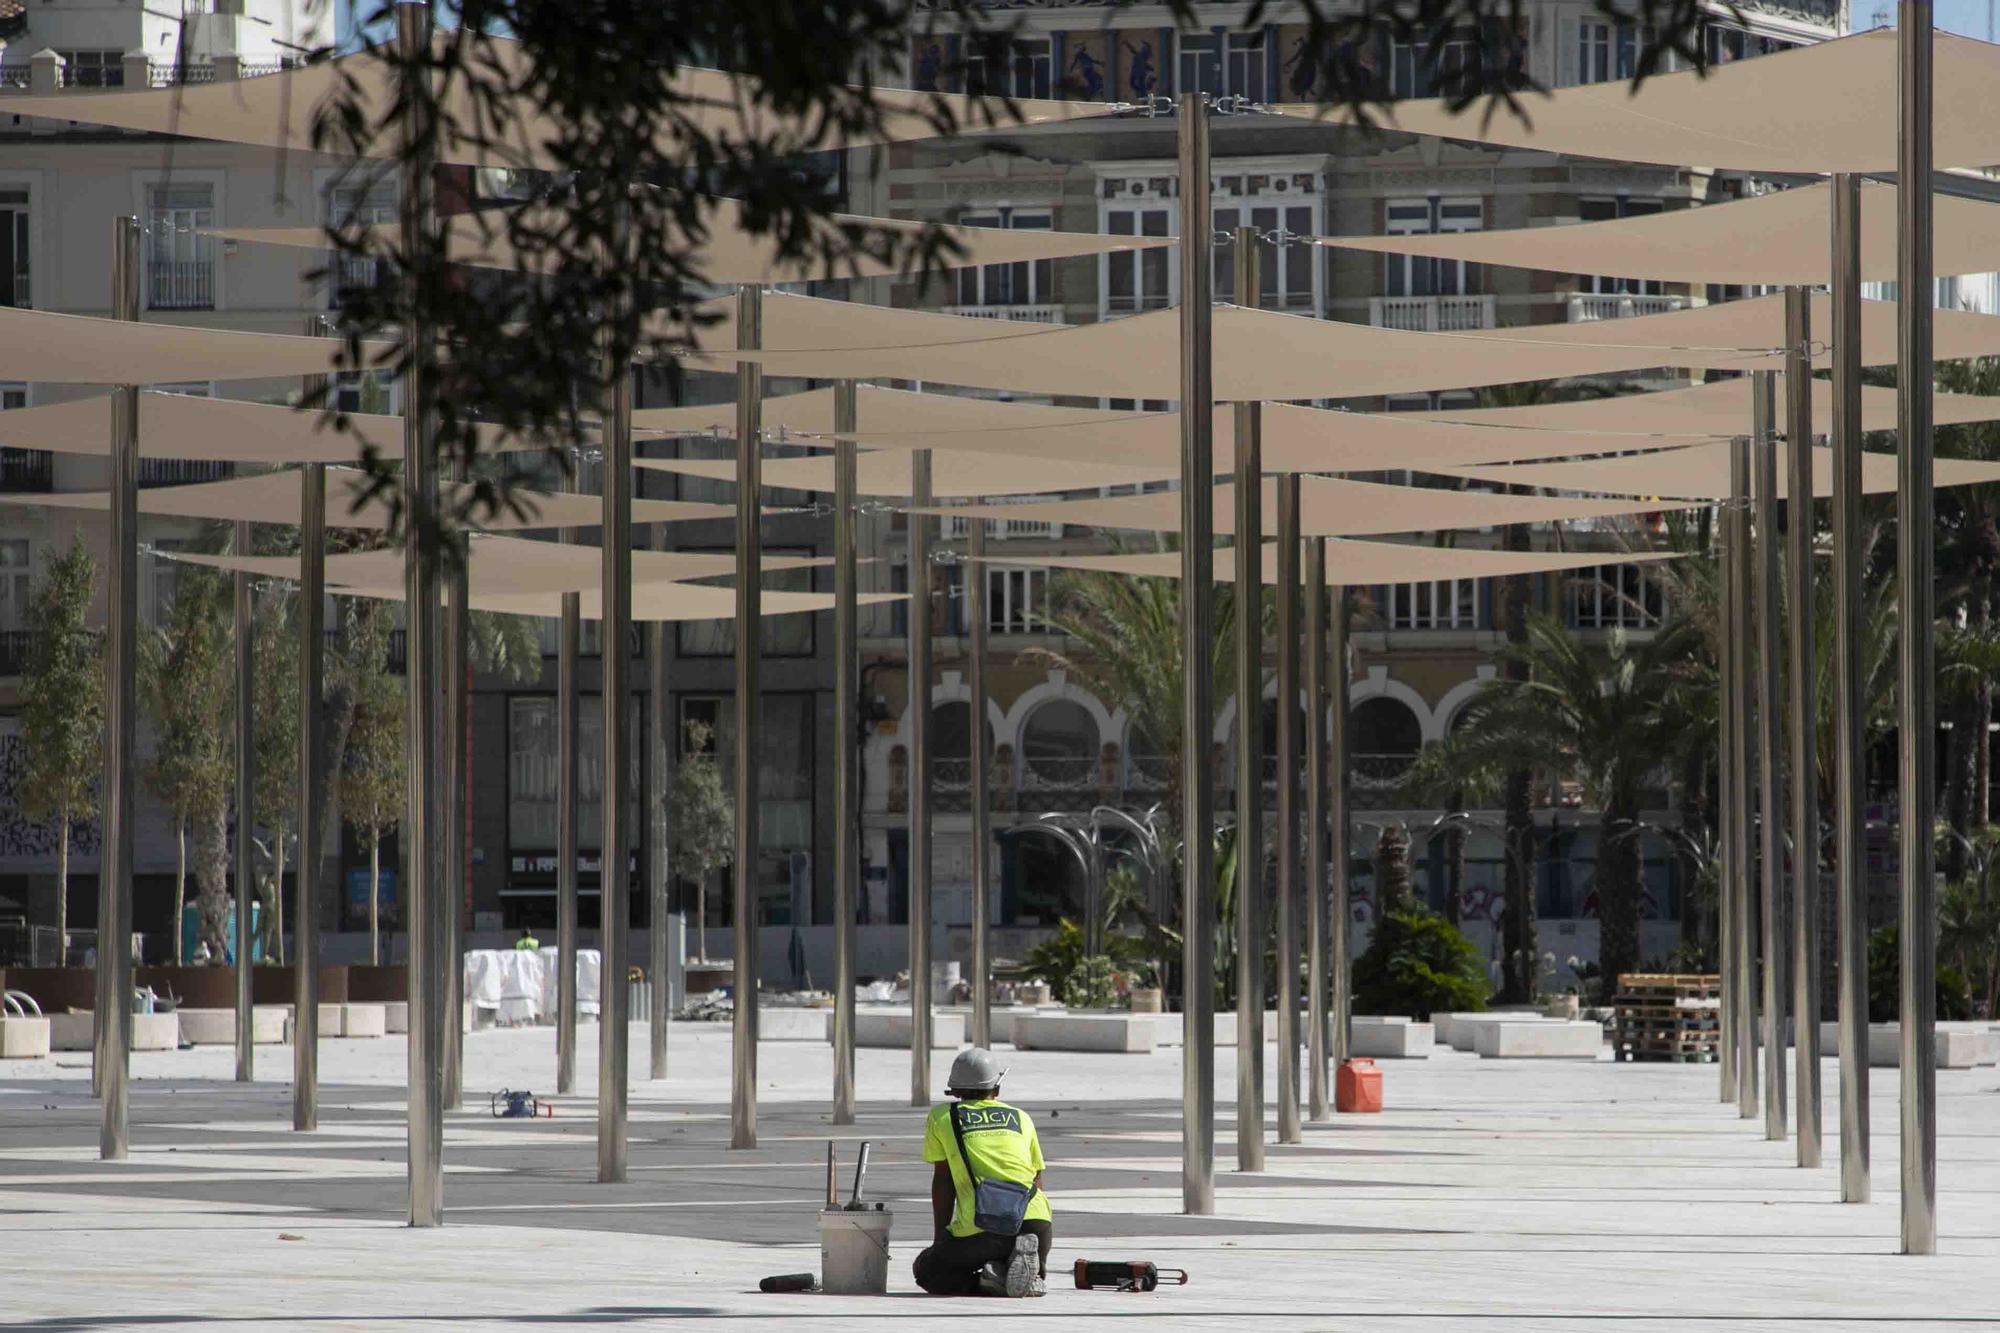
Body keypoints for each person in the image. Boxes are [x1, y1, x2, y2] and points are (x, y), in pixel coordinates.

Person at [913, 1047, 1052, 1298]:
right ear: (996, 1088)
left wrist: (940, 1240)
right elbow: (1036, 1178)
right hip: (1037, 1222)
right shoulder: (1021, 1117)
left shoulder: (942, 1117)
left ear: (954, 1090)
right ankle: (1026, 1270)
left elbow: (943, 1181)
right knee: (1019, 1240)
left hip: (986, 1226)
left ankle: (990, 1282)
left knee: (927, 1269)